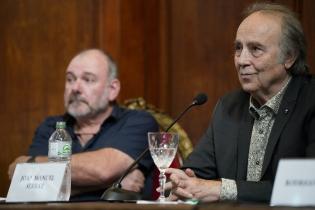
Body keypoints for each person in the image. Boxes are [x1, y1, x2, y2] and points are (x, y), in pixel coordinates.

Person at [164, 2, 315, 202]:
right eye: (238, 48)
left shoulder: (310, 100)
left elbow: (309, 186)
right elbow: (196, 171)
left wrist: (224, 189)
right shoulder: (229, 106)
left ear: (289, 57)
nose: (241, 60)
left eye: (255, 49)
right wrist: (182, 181)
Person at [8, 49, 159, 200]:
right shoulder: (51, 127)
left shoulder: (138, 122)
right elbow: (23, 184)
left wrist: (34, 166)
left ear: (112, 89)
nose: (75, 88)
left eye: (88, 80)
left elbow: (104, 169)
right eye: (70, 79)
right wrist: (111, 185)